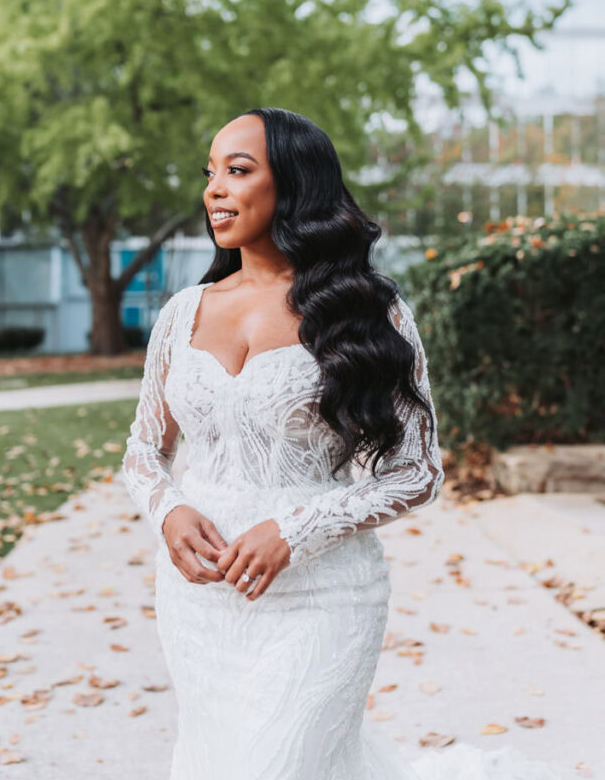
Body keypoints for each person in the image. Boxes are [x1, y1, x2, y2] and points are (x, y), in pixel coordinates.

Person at [122, 108, 569, 780]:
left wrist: (297, 531)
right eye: (209, 173)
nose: (214, 189)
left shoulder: (367, 312)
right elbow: (141, 451)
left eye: (237, 171)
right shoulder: (182, 315)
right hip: (201, 603)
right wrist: (169, 512)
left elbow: (417, 473)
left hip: (321, 596)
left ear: (294, 186)